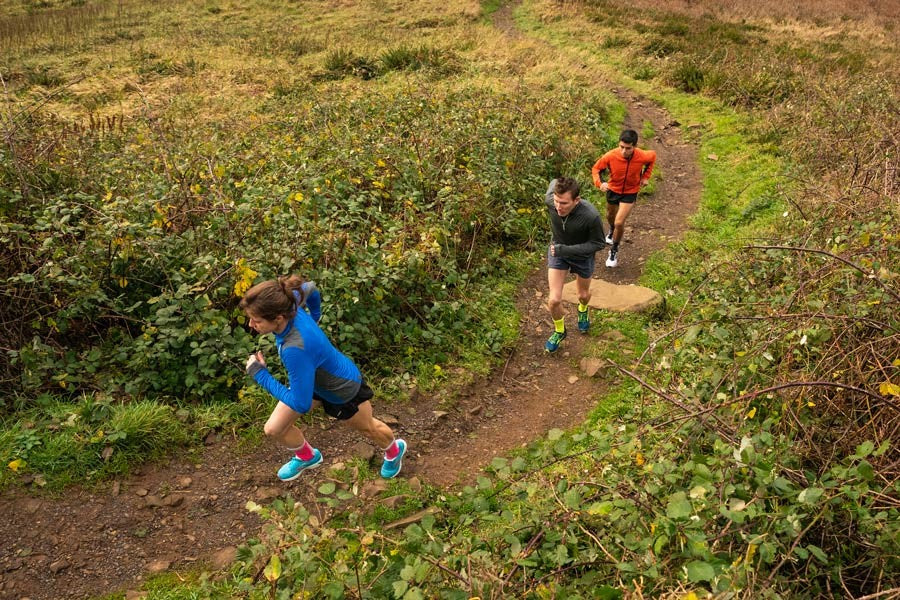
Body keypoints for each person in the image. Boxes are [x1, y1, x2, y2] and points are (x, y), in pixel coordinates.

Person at [241, 275, 407, 481]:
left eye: (256, 321)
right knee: (274, 428)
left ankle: (393, 451)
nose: (251, 324)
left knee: (369, 429)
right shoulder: (289, 300)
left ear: (278, 318)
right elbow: (310, 287)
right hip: (312, 382)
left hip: (343, 389)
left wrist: (261, 375)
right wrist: (315, 315)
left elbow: (301, 405)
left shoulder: (294, 349)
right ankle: (307, 456)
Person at [543, 177, 606, 353]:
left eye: (563, 203)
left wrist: (567, 250)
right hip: (558, 251)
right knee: (554, 300)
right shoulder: (551, 201)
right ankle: (560, 331)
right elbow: (554, 180)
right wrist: (562, 250)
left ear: (576, 200)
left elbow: (599, 244)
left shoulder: (590, 215)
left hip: (582, 256)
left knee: (583, 295)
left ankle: (583, 309)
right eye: (556, 201)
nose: (558, 207)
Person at [591, 129, 657, 268]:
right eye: (621, 147)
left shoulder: (642, 155)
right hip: (613, 190)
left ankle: (614, 250)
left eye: (628, 148)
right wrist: (600, 183)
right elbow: (596, 169)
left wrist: (645, 177)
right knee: (610, 216)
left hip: (630, 192)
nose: (624, 151)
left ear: (634, 146)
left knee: (620, 222)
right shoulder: (610, 156)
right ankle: (611, 230)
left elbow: (652, 158)